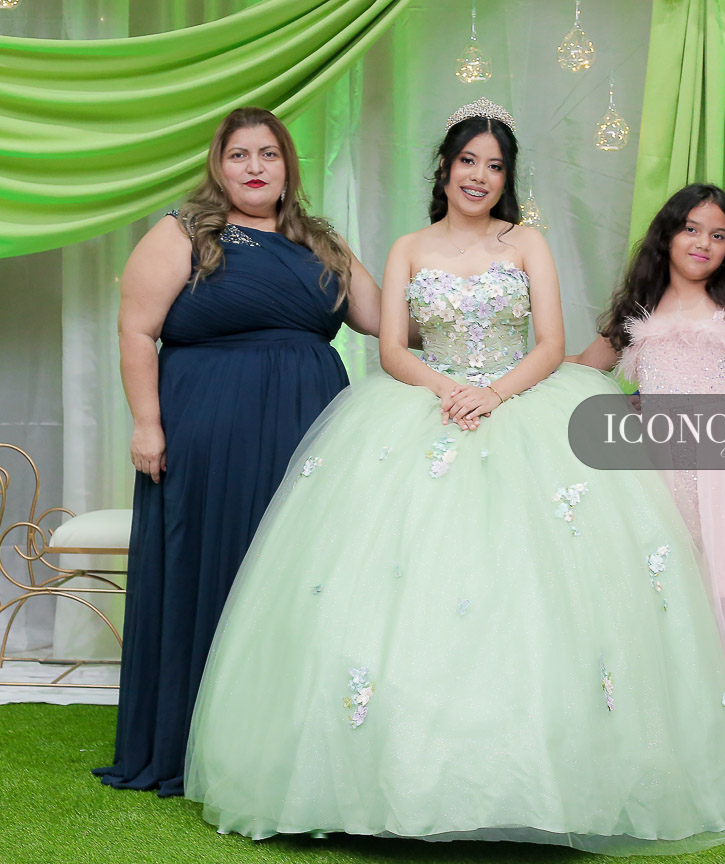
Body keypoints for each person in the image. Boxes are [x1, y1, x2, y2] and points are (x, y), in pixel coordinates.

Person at [184, 99, 725, 853]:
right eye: (468, 161)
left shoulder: (527, 243)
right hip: (424, 407)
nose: (480, 176)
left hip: (520, 403)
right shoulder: (407, 248)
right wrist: (448, 389)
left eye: (495, 166)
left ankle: (548, 782)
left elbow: (551, 342)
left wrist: (493, 392)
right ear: (445, 167)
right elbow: (393, 348)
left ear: (506, 177)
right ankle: (384, 779)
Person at [94, 107, 382, 797]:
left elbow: (382, 320)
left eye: (268, 154)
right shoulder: (183, 231)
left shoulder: (321, 240)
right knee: (214, 562)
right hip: (208, 432)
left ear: (288, 165)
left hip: (310, 432)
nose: (255, 167)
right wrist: (146, 424)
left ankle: (287, 742)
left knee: (301, 572)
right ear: (219, 166)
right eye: (239, 155)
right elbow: (136, 331)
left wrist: (464, 285)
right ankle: (197, 741)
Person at [571, 183, 725, 787]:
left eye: (718, 235)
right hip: (660, 479)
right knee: (675, 603)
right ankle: (685, 749)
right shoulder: (637, 313)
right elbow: (578, 371)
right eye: (692, 229)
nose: (704, 243)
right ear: (668, 235)